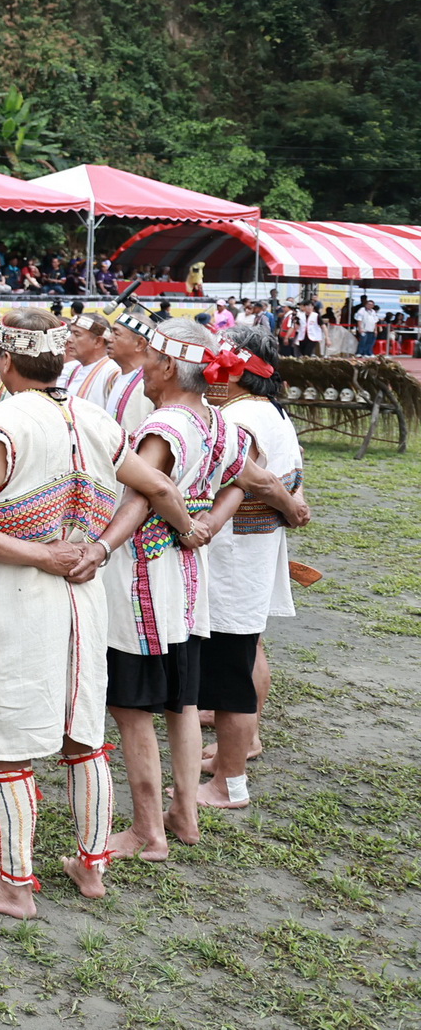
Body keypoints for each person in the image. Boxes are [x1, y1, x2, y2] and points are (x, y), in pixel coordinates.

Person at [0, 308, 210, 917]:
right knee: (81, 733)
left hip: (17, 598)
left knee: (10, 736)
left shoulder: (9, 421)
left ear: (4, 362)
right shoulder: (96, 420)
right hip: (83, 597)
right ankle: (91, 867)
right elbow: (156, 490)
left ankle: (14, 886)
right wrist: (139, 538)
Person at [78, 317, 306, 861]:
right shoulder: (221, 424)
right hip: (187, 583)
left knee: (132, 707)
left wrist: (103, 547)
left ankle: (147, 830)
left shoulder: (167, 427)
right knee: (181, 702)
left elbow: (144, 495)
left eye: (150, 359)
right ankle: (183, 814)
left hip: (144, 579)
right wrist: (205, 526)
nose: (143, 371)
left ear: (165, 367)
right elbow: (245, 481)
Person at [199, 327, 304, 810]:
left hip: (234, 553)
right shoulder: (271, 411)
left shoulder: (239, 417)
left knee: (231, 666)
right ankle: (241, 747)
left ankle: (230, 782)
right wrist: (291, 506)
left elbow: (253, 480)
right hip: (255, 547)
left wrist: (289, 505)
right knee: (247, 646)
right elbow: (293, 480)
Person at [105, 301, 158, 438]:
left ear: (140, 343)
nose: (109, 339)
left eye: (116, 334)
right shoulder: (117, 378)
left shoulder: (148, 384)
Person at [63, 313, 121, 412]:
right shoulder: (74, 370)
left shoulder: (112, 373)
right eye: (71, 333)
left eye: (77, 334)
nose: (69, 339)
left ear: (98, 341)